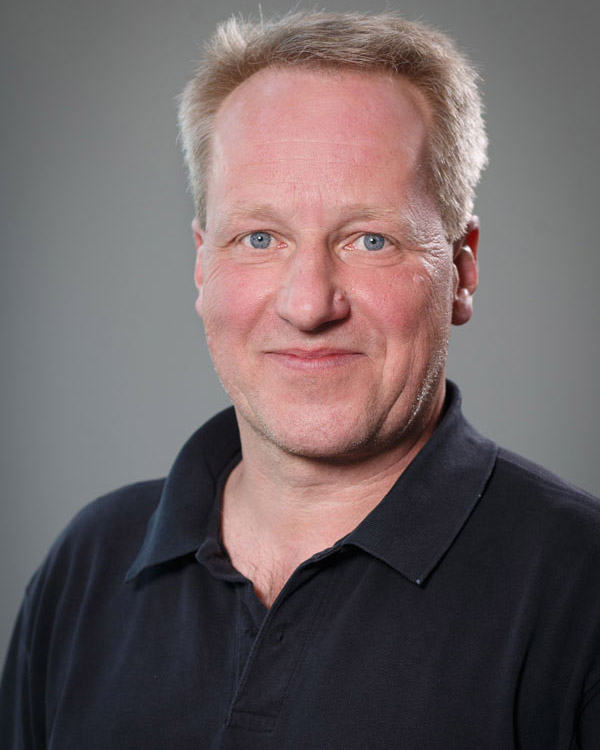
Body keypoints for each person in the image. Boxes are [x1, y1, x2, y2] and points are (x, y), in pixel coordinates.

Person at [1, 10, 599, 749]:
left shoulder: (582, 593)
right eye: (260, 238)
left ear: (462, 270)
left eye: (370, 239)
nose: (310, 305)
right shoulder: (89, 565)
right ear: (202, 264)